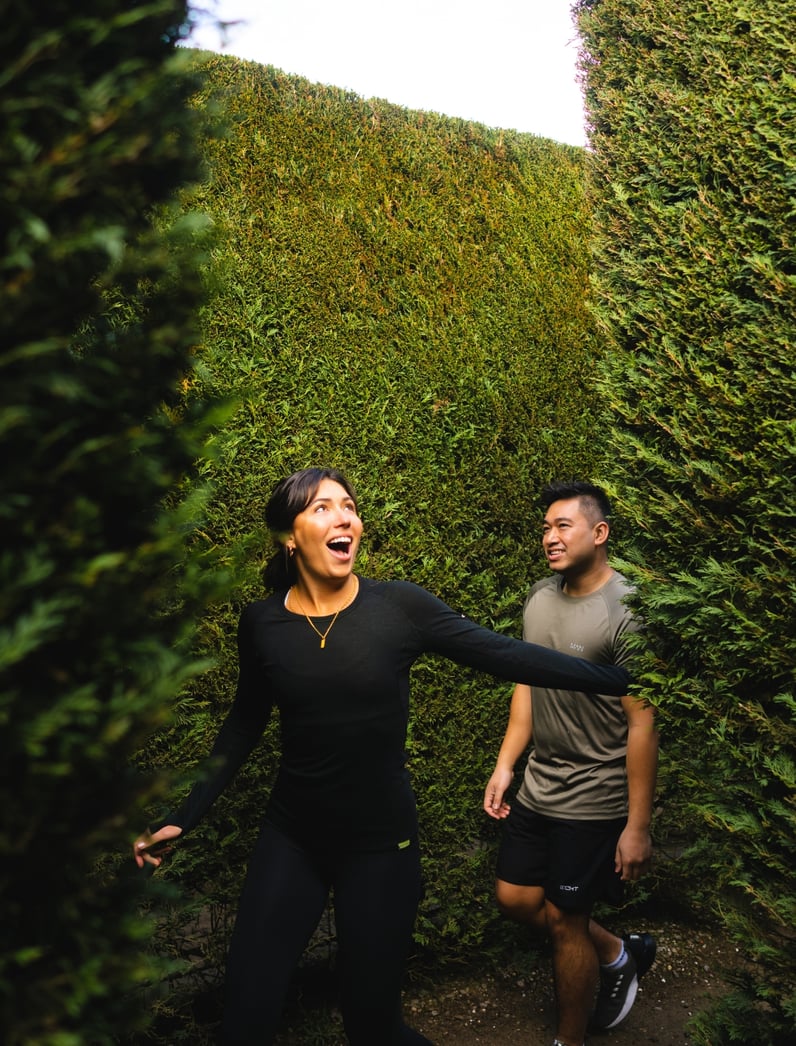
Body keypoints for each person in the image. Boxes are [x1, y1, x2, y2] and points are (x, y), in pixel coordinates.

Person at [135, 467, 632, 1046]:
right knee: (244, 1019)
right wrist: (185, 814)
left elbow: (506, 656)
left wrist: (619, 678)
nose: (344, 517)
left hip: (380, 849)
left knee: (373, 1028)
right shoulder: (262, 624)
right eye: (322, 508)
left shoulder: (398, 608)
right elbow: (244, 724)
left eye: (348, 505)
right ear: (288, 536)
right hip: (292, 838)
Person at [484, 480, 659, 1046]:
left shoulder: (626, 612)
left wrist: (637, 826)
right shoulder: (540, 598)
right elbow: (527, 687)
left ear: (599, 533)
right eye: (545, 528)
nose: (549, 537)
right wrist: (507, 763)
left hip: (594, 796)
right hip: (540, 787)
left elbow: (642, 721)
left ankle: (569, 1040)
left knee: (566, 921)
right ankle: (616, 952)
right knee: (514, 898)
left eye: (563, 526)